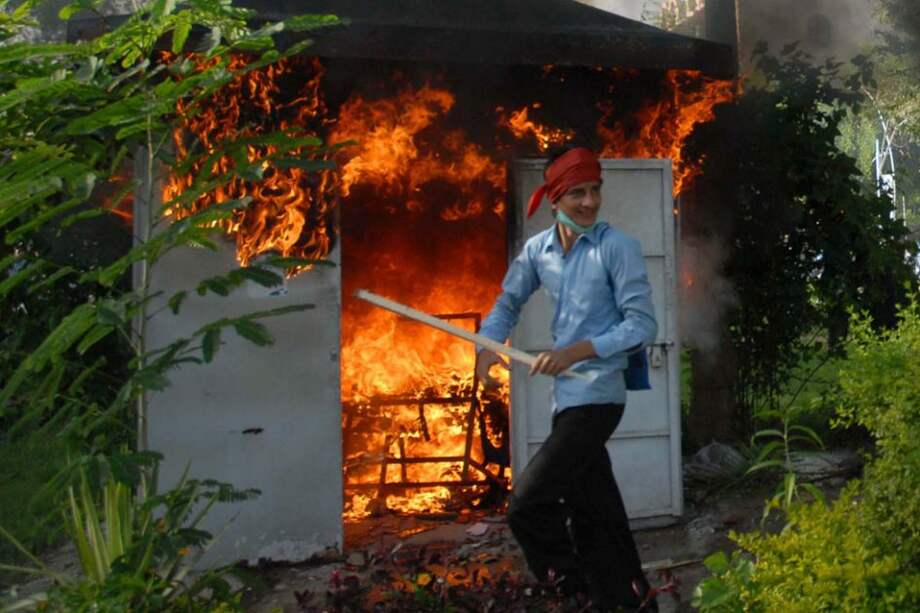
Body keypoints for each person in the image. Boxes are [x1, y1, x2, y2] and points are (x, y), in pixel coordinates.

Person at [476, 146, 658, 612]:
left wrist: (577, 351)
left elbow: (642, 326)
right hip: (567, 401)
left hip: (599, 395)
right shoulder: (538, 252)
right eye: (577, 192)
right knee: (597, 511)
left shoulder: (619, 248)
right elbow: (506, 303)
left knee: (528, 503)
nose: (590, 202)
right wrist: (488, 348)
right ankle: (631, 599)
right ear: (554, 198)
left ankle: (573, 588)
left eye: (595, 190)